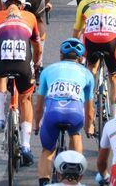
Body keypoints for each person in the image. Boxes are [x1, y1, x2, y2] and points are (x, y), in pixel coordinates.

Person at [0, 0, 42, 166]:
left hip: (3, 60)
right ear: (22, 5)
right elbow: (37, 48)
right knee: (26, 99)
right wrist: (36, 64)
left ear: (4, 5)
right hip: (23, 62)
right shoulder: (30, 17)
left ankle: (1, 117)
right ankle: (25, 146)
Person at [33, 40, 94, 186]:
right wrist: (88, 127)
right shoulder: (87, 74)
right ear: (81, 59)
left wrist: (36, 125)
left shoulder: (48, 70)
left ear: (61, 56)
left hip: (53, 112)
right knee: (75, 134)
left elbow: (39, 106)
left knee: (47, 149)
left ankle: (44, 182)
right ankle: (76, 173)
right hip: (75, 113)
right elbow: (89, 110)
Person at [72, 0, 116, 119]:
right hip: (111, 40)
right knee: (115, 77)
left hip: (91, 41)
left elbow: (76, 33)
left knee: (91, 69)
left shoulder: (84, 3)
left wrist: (77, 55)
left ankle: (89, 110)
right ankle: (115, 115)